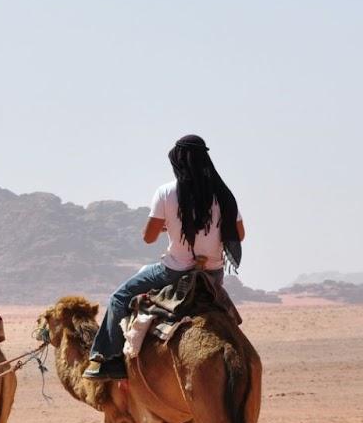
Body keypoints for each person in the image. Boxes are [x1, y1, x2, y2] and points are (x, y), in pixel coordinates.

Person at [83, 134, 246, 380]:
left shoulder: (167, 192)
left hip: (173, 272)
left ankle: (109, 359)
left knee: (119, 297)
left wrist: (168, 226)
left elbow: (148, 237)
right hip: (212, 275)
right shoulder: (224, 194)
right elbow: (239, 235)